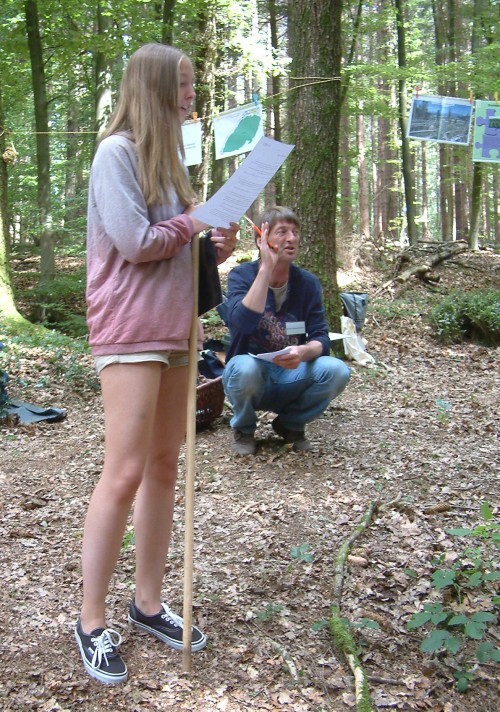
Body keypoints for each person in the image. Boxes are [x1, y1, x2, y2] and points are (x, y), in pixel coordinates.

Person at [75, 43, 238, 684]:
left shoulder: (171, 165)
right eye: (185, 84)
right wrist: (196, 220)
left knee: (166, 465)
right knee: (125, 471)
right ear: (152, 87)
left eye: (194, 84)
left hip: (179, 331)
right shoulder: (115, 154)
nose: (193, 95)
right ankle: (90, 620)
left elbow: (179, 254)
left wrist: (212, 246)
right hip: (130, 331)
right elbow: (136, 244)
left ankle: (146, 603)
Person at [222, 206, 350, 456]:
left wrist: (303, 351)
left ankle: (290, 424)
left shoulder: (308, 283)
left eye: (295, 232)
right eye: (282, 232)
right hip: (251, 375)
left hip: (292, 373)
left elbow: (321, 338)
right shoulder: (241, 276)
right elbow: (242, 324)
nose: (292, 238)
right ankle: (245, 429)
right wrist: (265, 270)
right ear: (262, 240)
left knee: (337, 370)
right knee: (244, 368)